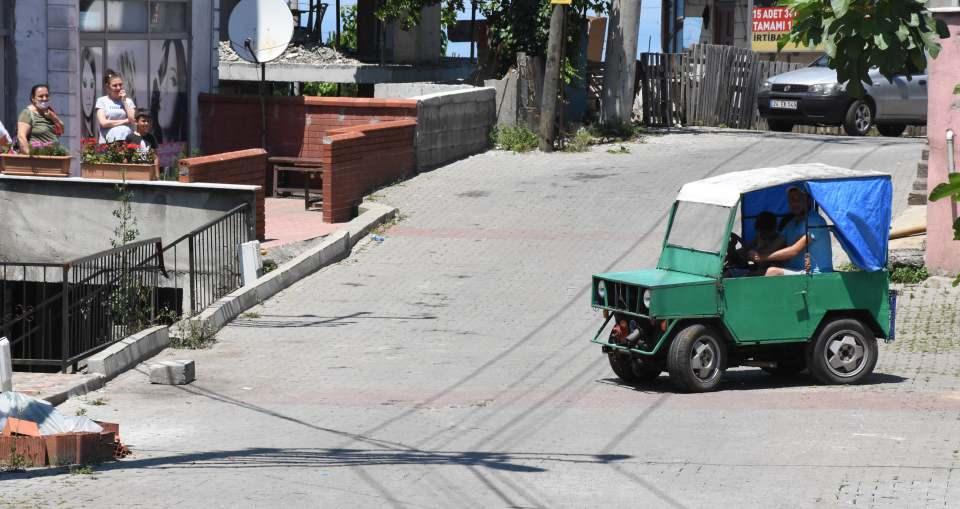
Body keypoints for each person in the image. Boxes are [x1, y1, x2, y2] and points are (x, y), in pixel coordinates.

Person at [751, 186, 834, 276]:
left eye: (799, 199)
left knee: (772, 272)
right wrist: (755, 253)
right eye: (791, 199)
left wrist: (762, 257)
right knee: (760, 270)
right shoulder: (791, 224)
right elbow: (774, 246)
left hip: (817, 274)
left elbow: (793, 251)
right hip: (798, 270)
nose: (795, 202)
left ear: (808, 200)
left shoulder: (814, 220)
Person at [16, 84, 64, 154]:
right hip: (39, 158)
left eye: (47, 96)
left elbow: (62, 130)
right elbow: (21, 136)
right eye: (41, 96)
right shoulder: (27, 113)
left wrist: (54, 118)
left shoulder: (49, 112)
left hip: (53, 157)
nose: (45, 98)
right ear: (33, 98)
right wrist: (29, 155)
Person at [95, 69, 137, 144]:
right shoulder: (102, 101)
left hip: (126, 142)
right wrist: (125, 121)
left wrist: (124, 101)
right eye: (115, 86)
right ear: (108, 87)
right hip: (108, 143)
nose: (118, 88)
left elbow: (132, 119)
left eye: (120, 85)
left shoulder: (128, 101)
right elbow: (103, 123)